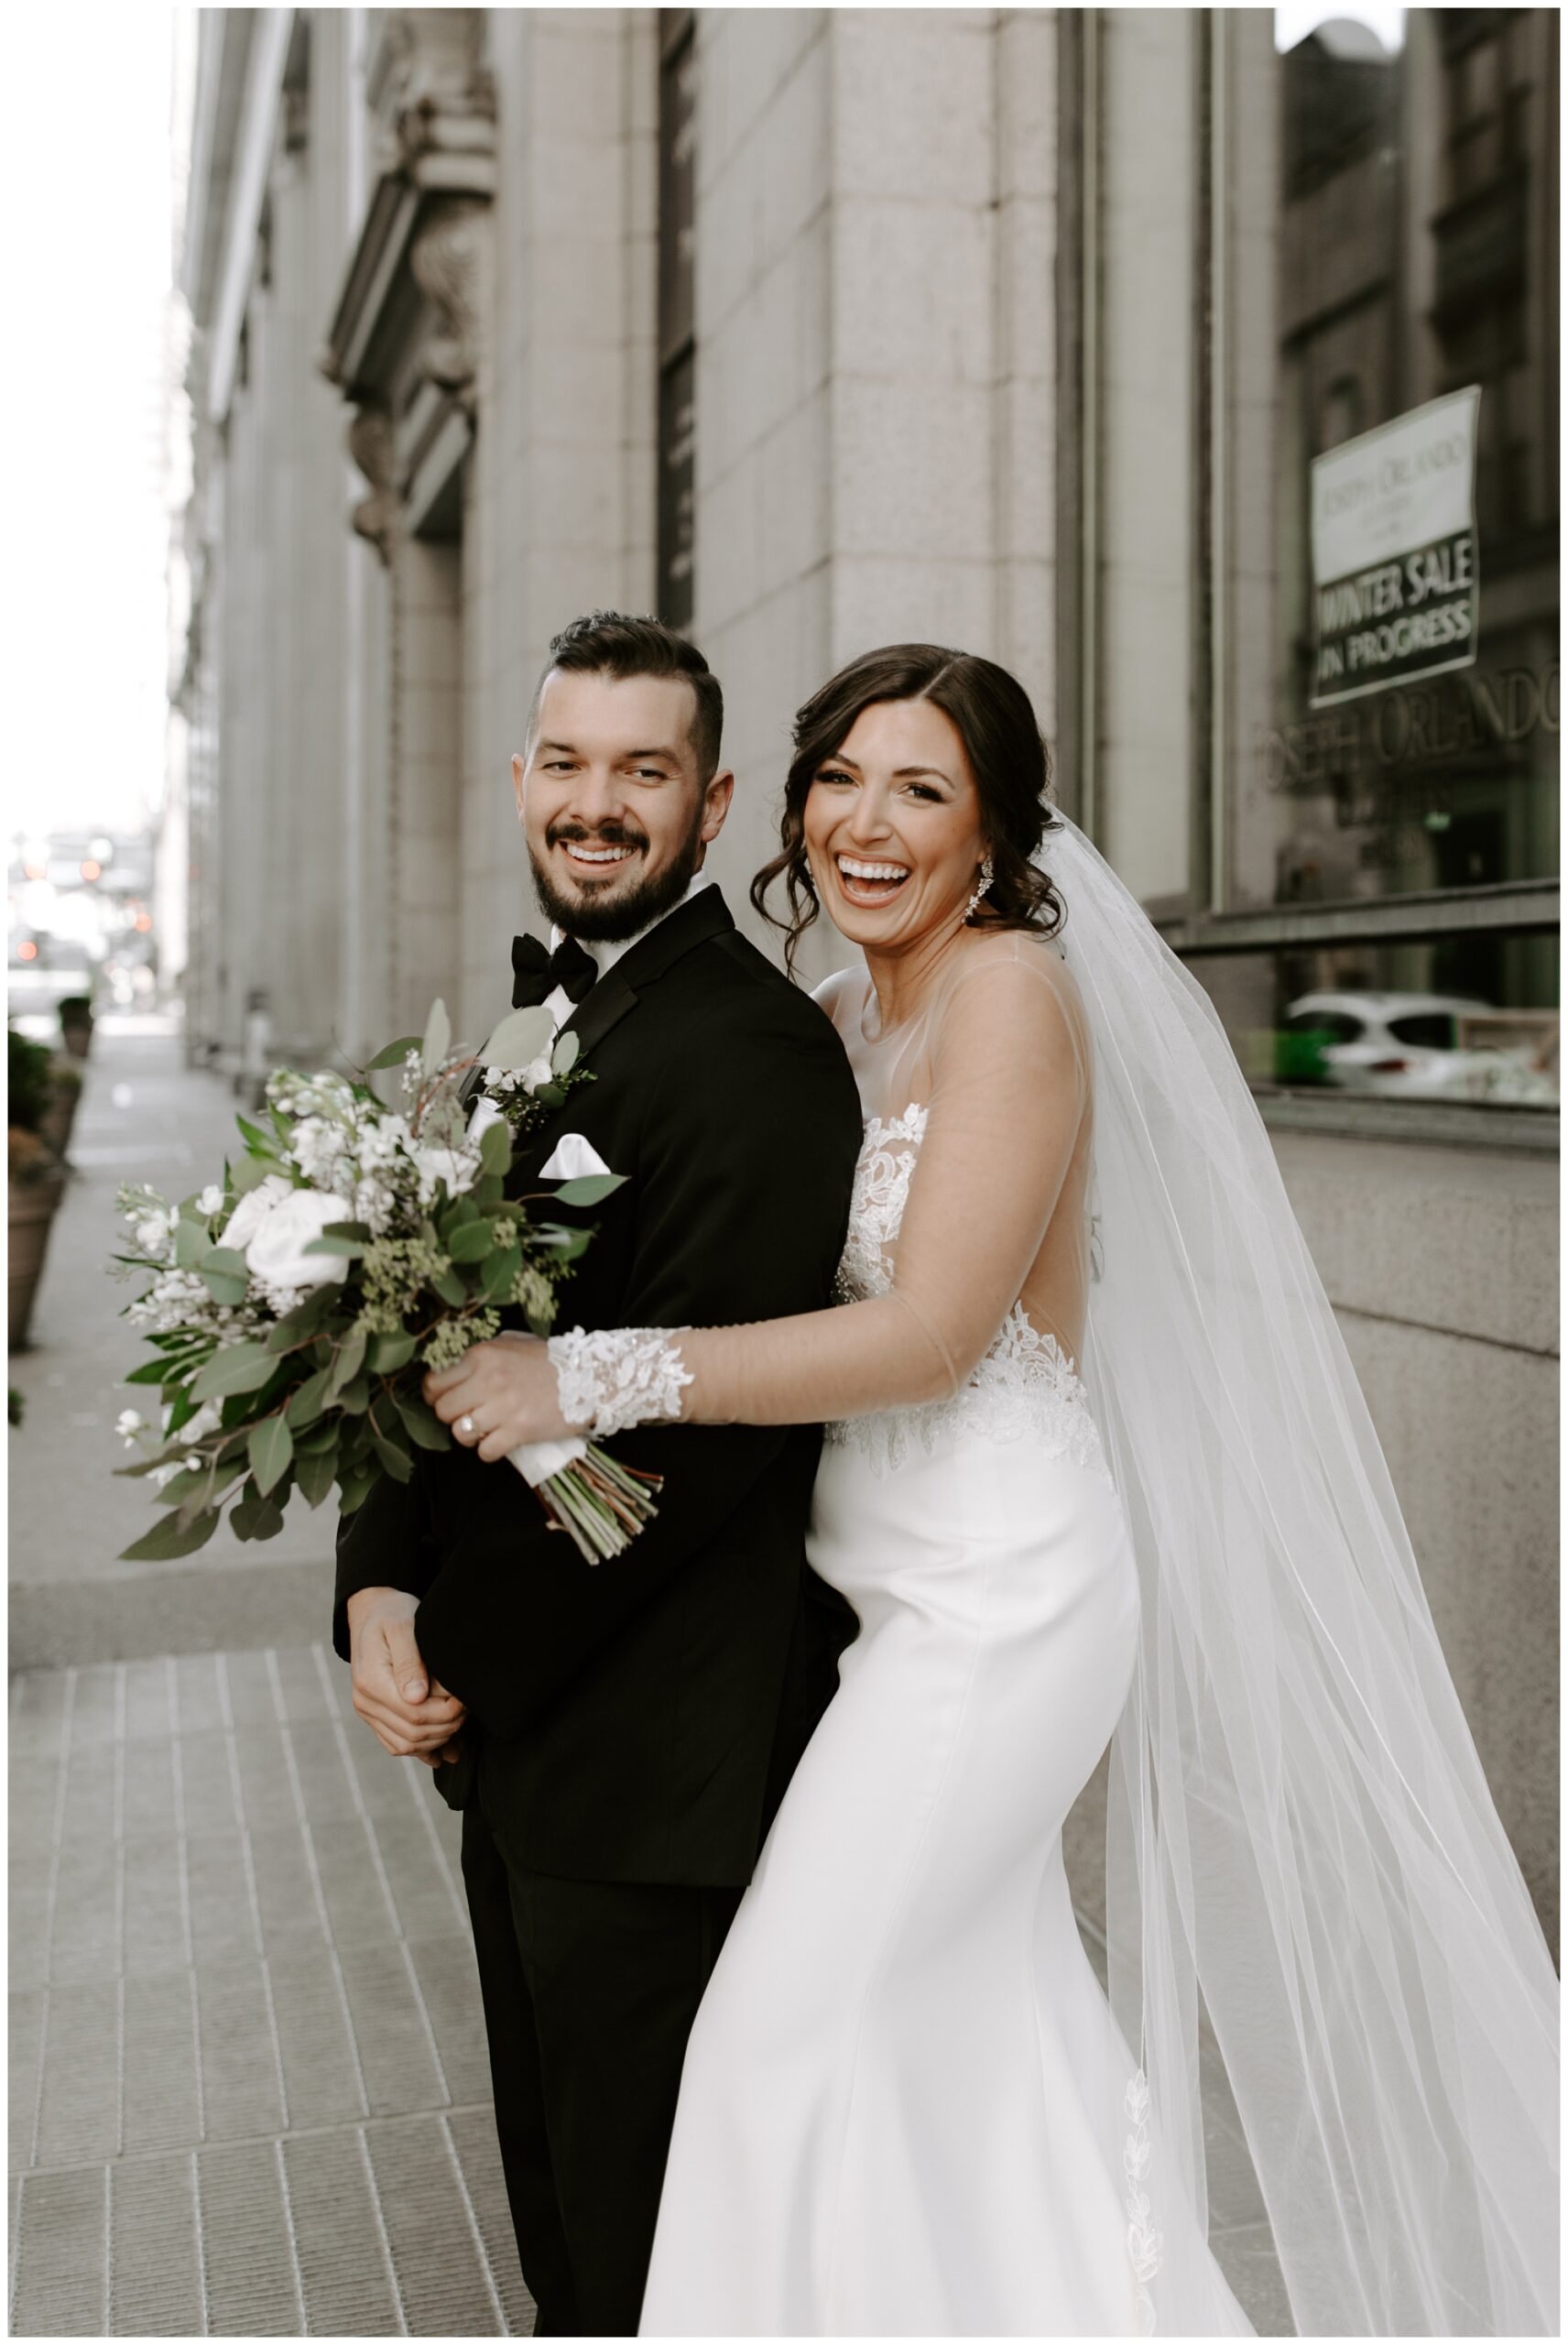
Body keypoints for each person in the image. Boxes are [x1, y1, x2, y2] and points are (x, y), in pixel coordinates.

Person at [431, 643, 1560, 2338]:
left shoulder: (1013, 996)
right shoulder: (837, 1016)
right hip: (878, 1608)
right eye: (841, 781)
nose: (866, 825)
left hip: (998, 1604)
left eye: (921, 790)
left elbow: (933, 1335)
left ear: (993, 833)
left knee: (775, 2044)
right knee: (981, 2059)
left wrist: (581, 1377)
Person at [335, 612, 864, 2338]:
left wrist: (457, 1659)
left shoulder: (756, 1059)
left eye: (644, 771)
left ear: (711, 805)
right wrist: (376, 1583)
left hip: (661, 1766)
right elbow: (411, 1328)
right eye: (567, 762)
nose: (596, 802)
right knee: (564, 2231)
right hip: (533, 1738)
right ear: (520, 780)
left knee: (644, 2258)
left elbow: (696, 1449)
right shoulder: (522, 1030)